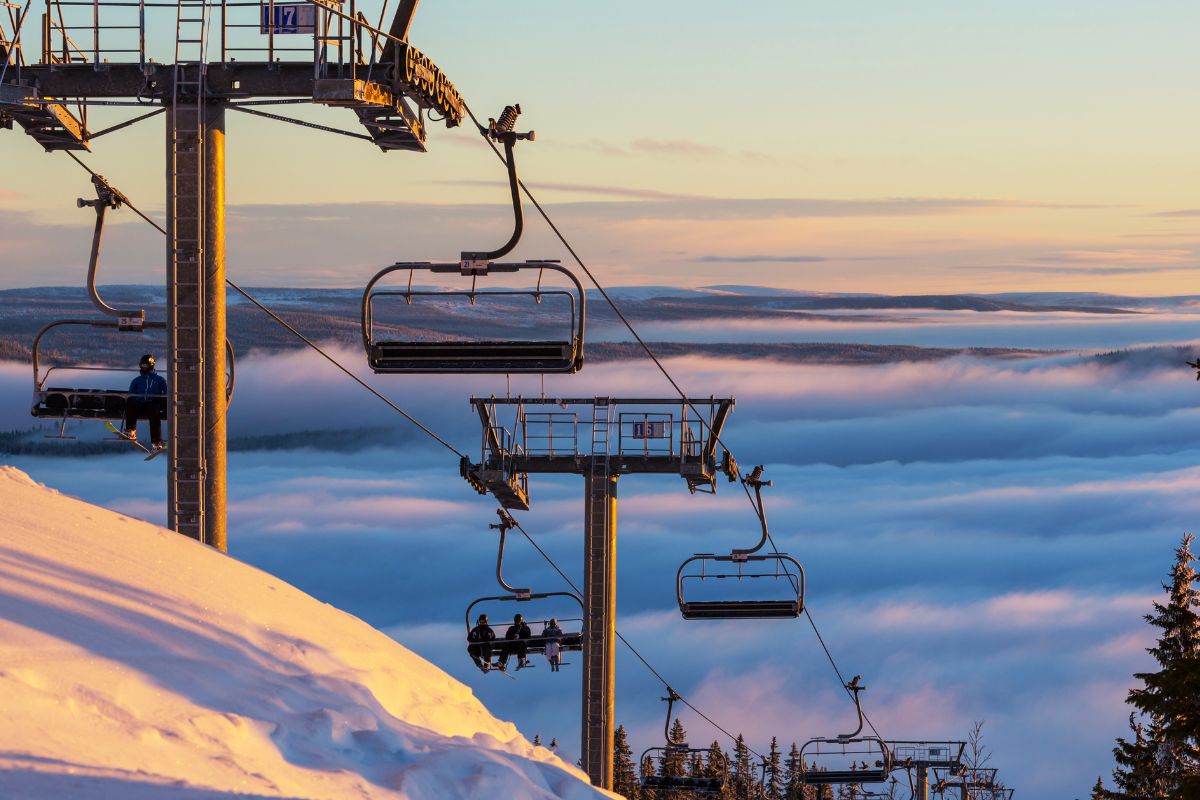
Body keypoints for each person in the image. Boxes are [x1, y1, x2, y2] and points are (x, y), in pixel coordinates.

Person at [123, 354, 167, 452]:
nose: (143, 368)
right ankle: (131, 431)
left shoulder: (159, 380)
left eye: (145, 366)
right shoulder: (137, 380)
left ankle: (156, 442)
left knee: (155, 414)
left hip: (152, 403)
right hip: (139, 403)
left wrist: (162, 402)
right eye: (141, 366)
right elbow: (131, 394)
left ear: (151, 365)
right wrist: (132, 399)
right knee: (130, 404)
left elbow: (167, 392)